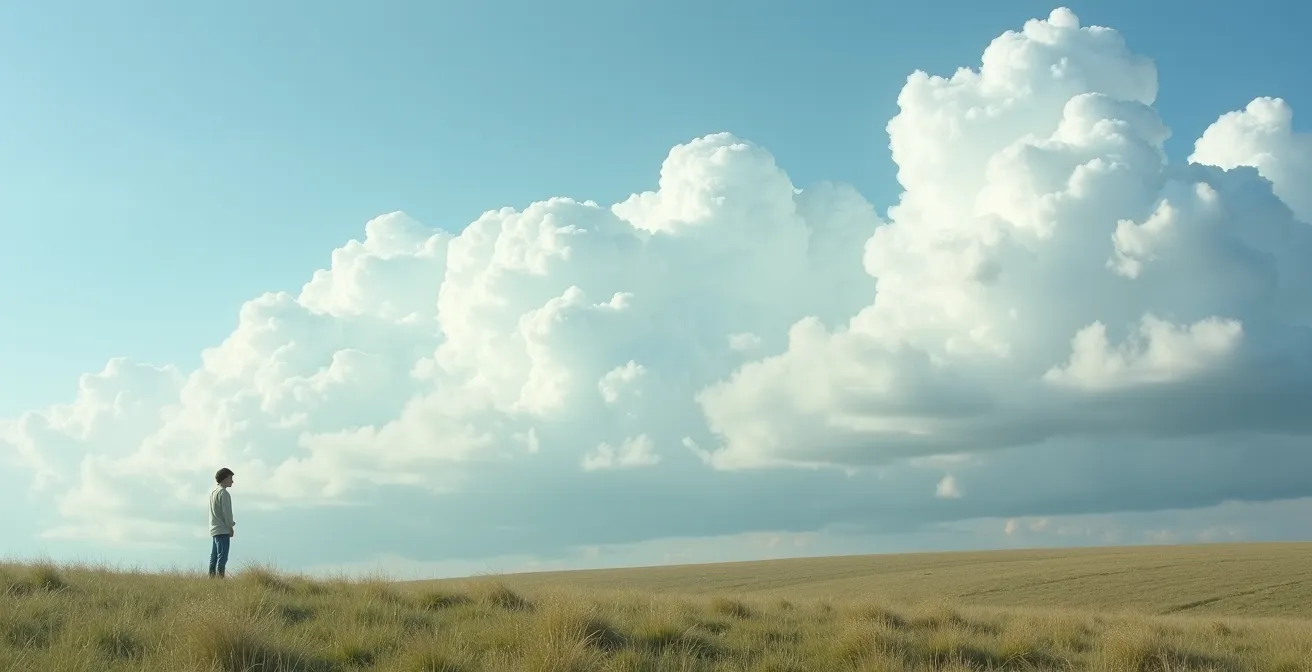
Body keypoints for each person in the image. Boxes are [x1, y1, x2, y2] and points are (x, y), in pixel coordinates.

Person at [208, 467, 236, 578]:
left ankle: (211, 578)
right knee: (222, 556)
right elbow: (227, 512)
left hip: (214, 529)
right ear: (225, 478)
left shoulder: (213, 493)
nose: (232, 481)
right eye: (230, 478)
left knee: (214, 556)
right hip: (222, 529)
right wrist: (230, 526)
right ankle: (220, 578)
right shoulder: (224, 493)